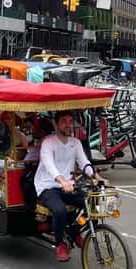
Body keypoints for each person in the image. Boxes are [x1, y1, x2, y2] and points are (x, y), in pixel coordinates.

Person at [34, 112, 105, 261]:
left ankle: (73, 232)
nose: (68, 124)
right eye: (64, 121)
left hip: (68, 186)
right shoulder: (49, 142)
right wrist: (62, 181)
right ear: (56, 124)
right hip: (47, 186)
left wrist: (96, 177)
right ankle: (60, 244)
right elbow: (49, 164)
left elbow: (84, 163)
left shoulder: (76, 142)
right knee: (59, 210)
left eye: (70, 121)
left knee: (95, 203)